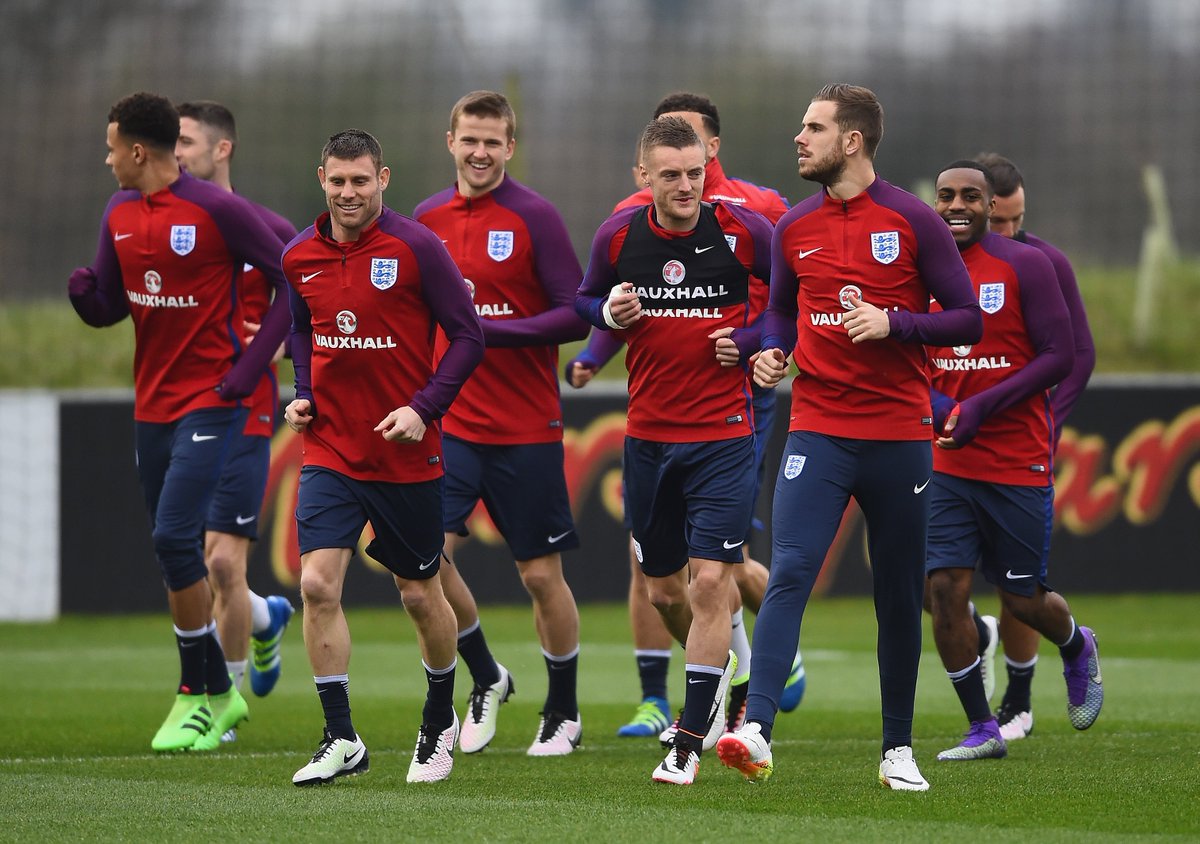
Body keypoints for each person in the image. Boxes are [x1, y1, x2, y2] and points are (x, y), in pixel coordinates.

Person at [716, 83, 982, 792]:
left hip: (899, 435)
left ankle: (898, 749)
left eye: (813, 128)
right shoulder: (794, 228)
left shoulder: (914, 220)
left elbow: (965, 319)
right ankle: (757, 729)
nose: (798, 139)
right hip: (819, 428)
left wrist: (896, 323)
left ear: (853, 141)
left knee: (898, 592)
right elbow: (777, 313)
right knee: (791, 569)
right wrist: (770, 352)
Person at [566, 92, 805, 742]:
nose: (684, 185)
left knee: (709, 578)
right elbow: (585, 300)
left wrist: (757, 343)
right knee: (663, 588)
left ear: (709, 164)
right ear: (643, 175)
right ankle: (725, 667)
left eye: (693, 172)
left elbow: (789, 304)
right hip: (648, 437)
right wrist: (602, 325)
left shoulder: (748, 226)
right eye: (670, 174)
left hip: (729, 427)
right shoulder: (618, 233)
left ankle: (701, 719)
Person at [67, 91, 293, 752]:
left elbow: (290, 281)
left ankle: (199, 695)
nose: (107, 159)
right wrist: (86, 297)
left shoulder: (219, 210)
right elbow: (111, 303)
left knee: (176, 538)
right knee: (177, 551)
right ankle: (219, 693)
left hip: (215, 400)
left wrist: (250, 369)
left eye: (112, 147)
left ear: (138, 150)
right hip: (152, 405)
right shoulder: (118, 212)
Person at [283, 129, 484, 786]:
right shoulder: (298, 256)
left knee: (420, 596)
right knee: (315, 584)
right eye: (338, 181)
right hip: (332, 448)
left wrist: (423, 409)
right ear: (322, 179)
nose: (348, 193)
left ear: (383, 179)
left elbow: (467, 337)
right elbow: (303, 330)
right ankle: (341, 736)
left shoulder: (416, 246)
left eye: (360, 181)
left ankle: (437, 719)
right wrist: (303, 396)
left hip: (406, 455)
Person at [413, 91, 590, 757]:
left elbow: (577, 313)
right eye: (470, 139)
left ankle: (564, 710)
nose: (480, 152)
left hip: (525, 427)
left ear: (509, 147)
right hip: (449, 425)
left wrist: (494, 334)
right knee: (425, 561)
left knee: (541, 578)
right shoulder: (424, 218)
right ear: (450, 140)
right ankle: (486, 673)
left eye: (493, 141)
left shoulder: (534, 216)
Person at [925, 160, 1103, 761]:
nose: (957, 205)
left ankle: (1076, 645)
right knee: (944, 589)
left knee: (1024, 598)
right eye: (946, 195)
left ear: (989, 203)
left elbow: (1059, 356)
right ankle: (982, 727)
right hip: (946, 460)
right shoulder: (916, 267)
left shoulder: (1028, 265)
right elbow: (901, 360)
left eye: (969, 196)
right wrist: (944, 406)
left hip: (1015, 457)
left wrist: (984, 407)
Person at [174, 100, 298, 723]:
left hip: (244, 405)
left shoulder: (262, 225)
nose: (175, 153)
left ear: (222, 149)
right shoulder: (169, 224)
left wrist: (265, 359)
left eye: (186, 141)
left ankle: (220, 702)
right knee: (194, 559)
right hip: (180, 408)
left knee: (223, 560)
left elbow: (302, 293)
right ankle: (266, 614)